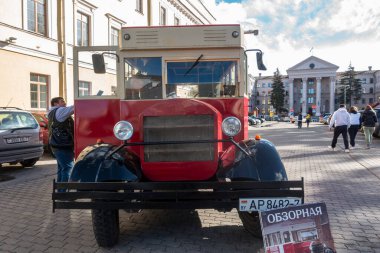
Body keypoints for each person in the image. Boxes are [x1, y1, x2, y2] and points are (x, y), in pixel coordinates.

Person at [48, 97, 75, 184]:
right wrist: (85, 101)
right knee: (68, 168)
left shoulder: (51, 112)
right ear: (55, 104)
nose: (65, 103)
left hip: (57, 144)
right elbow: (75, 107)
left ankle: (60, 191)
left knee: (61, 169)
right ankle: (64, 193)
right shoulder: (59, 111)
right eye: (62, 101)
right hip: (62, 145)